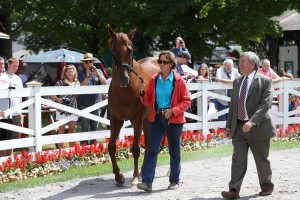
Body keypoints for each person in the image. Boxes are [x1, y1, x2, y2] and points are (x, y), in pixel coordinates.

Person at [221, 51, 275, 199]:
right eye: (239, 60)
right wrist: (228, 127)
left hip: (258, 127)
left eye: (243, 60)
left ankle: (266, 186)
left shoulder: (265, 81)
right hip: (238, 128)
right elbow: (233, 105)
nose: (240, 63)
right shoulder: (237, 81)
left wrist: (252, 121)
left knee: (261, 159)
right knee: (238, 159)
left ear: (253, 64)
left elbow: (266, 104)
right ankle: (234, 189)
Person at [137, 50, 191, 192]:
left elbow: (187, 101)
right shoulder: (154, 79)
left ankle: (174, 180)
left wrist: (173, 111)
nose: (161, 64)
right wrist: (142, 92)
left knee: (174, 151)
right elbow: (147, 100)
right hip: (156, 118)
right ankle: (146, 182)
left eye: (164, 62)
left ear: (172, 64)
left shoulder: (178, 80)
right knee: (152, 149)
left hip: (174, 119)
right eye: (160, 61)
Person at [78, 53, 106, 145]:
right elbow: (81, 86)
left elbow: (104, 83)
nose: (88, 63)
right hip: (84, 104)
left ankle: (93, 146)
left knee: (95, 126)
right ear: (83, 64)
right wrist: (88, 76)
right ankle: (83, 146)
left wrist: (97, 73)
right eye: (86, 62)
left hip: (97, 104)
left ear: (93, 63)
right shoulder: (80, 73)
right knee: (84, 127)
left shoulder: (98, 72)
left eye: (90, 62)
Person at [51, 65, 80, 149]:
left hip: (73, 108)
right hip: (61, 108)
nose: (70, 73)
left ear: (74, 72)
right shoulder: (60, 82)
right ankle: (60, 151)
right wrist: (58, 100)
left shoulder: (77, 82)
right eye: (68, 71)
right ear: (65, 73)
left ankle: (72, 150)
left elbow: (77, 93)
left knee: (72, 130)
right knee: (61, 130)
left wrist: (70, 85)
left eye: (72, 71)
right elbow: (52, 94)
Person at [5, 58, 23, 156]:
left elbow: (21, 94)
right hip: (5, 110)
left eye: (17, 66)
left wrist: (21, 109)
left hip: (16, 110)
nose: (16, 68)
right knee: (5, 134)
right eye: (14, 66)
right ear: (9, 65)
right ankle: (3, 156)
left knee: (15, 135)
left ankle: (10, 156)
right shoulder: (2, 77)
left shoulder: (18, 78)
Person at [0, 57, 10, 157]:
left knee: (5, 137)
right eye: (0, 64)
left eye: (3, 64)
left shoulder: (6, 77)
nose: (2, 66)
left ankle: (4, 160)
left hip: (7, 111)